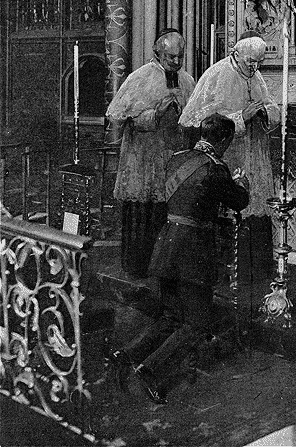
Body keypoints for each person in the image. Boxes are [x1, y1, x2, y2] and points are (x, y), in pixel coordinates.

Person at [108, 114, 250, 403]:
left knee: (171, 316)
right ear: (224, 140)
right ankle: (151, 371)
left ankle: (126, 355)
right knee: (197, 323)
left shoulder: (177, 158)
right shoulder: (215, 168)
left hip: (166, 245)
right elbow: (239, 201)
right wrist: (242, 184)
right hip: (193, 252)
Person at [178, 32, 280, 281]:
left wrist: (266, 113)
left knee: (256, 207)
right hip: (228, 155)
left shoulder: (255, 75)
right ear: (236, 54)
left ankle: (256, 272)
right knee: (232, 206)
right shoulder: (217, 74)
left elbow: (270, 104)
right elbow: (196, 120)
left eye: (259, 62)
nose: (255, 67)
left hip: (255, 152)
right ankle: (231, 274)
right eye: (250, 62)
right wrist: (241, 117)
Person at [106, 30, 195, 278]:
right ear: (157, 53)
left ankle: (165, 270)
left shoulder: (187, 80)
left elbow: (195, 116)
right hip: (142, 160)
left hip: (172, 158)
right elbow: (116, 115)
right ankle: (137, 269)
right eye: (170, 57)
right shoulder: (140, 77)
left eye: (180, 57)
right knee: (142, 215)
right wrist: (155, 113)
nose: (176, 62)